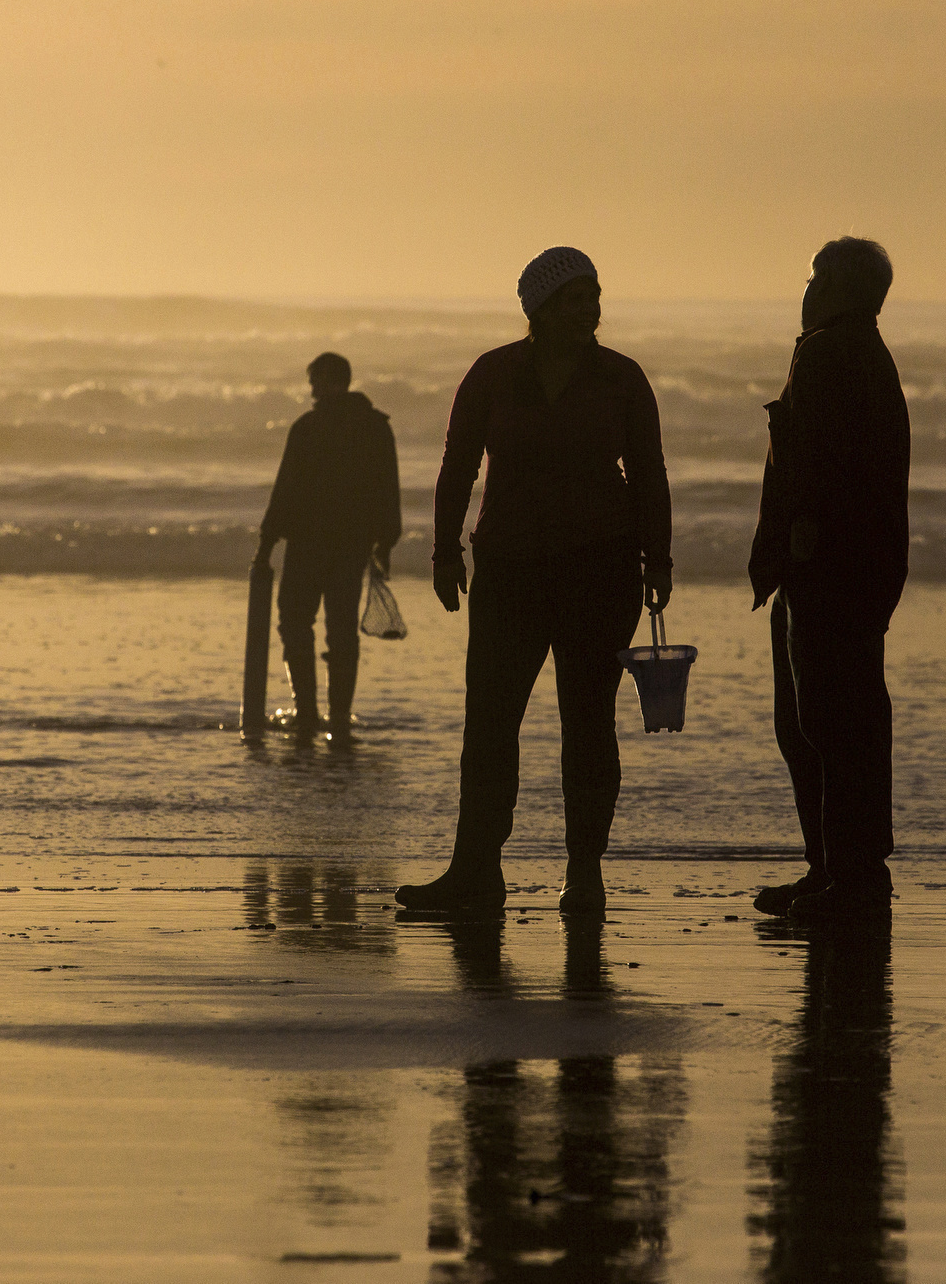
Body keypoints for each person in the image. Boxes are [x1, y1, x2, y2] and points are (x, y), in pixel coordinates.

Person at [396, 247, 672, 915]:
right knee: (490, 723)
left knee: (588, 722)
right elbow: (457, 465)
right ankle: (475, 871)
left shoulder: (621, 378)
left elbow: (648, 472)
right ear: (540, 309)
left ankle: (584, 871)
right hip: (510, 570)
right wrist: (443, 552)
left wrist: (658, 560)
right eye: (576, 299)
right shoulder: (493, 374)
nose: (590, 310)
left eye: (594, 296)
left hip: (600, 569)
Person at [750, 238, 910, 922]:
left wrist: (799, 538)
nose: (807, 289)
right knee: (826, 719)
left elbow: (816, 462)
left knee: (828, 722)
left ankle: (852, 878)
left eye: (817, 278)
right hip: (856, 566)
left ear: (843, 290)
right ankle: (835, 870)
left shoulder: (827, 353)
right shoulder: (861, 352)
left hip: (830, 568)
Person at [253, 352, 403, 739]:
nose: (311, 390)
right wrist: (385, 544)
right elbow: (389, 490)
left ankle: (306, 713)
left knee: (295, 622)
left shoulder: (308, 427)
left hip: (307, 544)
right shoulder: (376, 428)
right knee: (341, 629)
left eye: (315, 382)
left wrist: (266, 544)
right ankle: (338, 717)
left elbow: (284, 490)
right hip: (352, 546)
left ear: (329, 380)